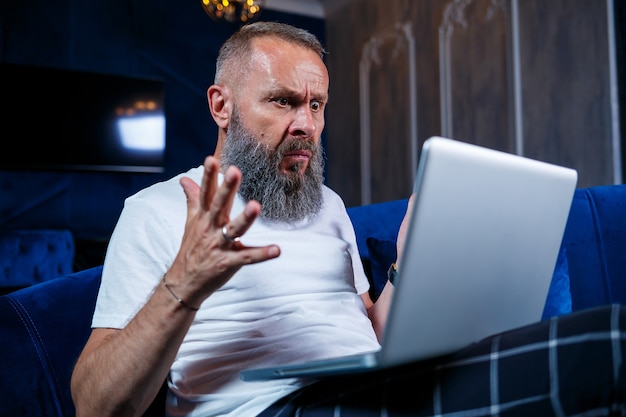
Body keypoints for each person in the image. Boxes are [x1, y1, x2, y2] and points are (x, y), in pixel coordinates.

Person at [71, 21, 625, 417]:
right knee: (610, 342)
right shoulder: (158, 211)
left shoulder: (328, 205)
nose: (306, 124)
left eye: (316, 106)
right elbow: (95, 405)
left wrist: (410, 265)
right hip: (268, 407)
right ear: (221, 105)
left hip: (367, 391)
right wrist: (183, 287)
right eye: (283, 102)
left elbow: (368, 336)